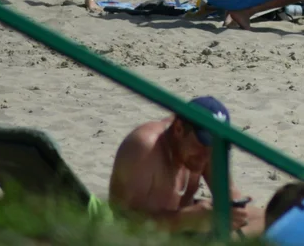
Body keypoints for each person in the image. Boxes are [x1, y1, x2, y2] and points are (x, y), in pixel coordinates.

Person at [108, 96, 264, 236]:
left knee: (265, 218)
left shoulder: (205, 151)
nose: (207, 156)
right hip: (147, 238)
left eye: (214, 148)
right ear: (178, 129)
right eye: (202, 144)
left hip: (184, 231)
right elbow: (124, 224)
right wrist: (185, 219)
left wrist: (235, 209)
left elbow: (229, 193)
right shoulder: (145, 148)